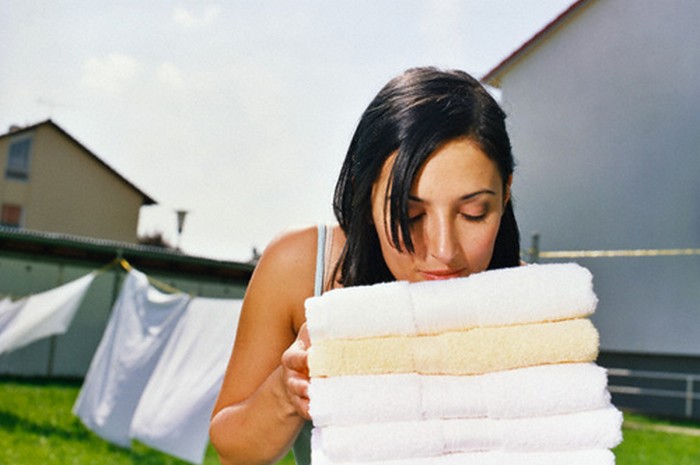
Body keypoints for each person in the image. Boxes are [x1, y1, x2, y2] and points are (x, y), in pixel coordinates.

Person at [209, 67, 521, 465]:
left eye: (473, 213)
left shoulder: (533, 311)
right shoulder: (304, 267)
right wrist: (287, 392)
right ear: (365, 191)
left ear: (505, 193)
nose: (444, 250)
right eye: (409, 214)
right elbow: (232, 450)